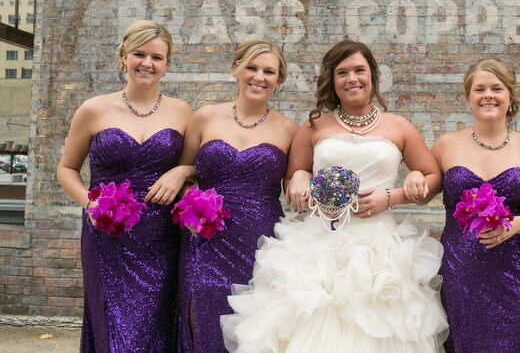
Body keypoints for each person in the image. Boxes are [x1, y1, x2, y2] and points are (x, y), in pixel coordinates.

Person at [221, 39, 448, 353]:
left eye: (359, 70)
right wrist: (299, 181)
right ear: (333, 80)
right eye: (343, 72)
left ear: (372, 76)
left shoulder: (399, 127)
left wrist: (395, 193)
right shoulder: (314, 126)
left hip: (378, 247)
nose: (352, 78)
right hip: (319, 244)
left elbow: (433, 177)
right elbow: (294, 175)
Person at [57, 20, 192, 352]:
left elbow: (195, 171)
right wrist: (90, 204)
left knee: (156, 326)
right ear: (124, 57)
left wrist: (182, 171)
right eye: (139, 54)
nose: (147, 63)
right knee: (113, 327)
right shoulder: (93, 109)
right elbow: (66, 169)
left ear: (167, 64)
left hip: (162, 238)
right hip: (108, 238)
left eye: (157, 57)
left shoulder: (183, 112)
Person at [176, 40, 298, 352]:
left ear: (278, 81)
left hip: (259, 243)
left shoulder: (290, 130)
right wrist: (191, 204)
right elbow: (186, 173)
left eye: (269, 71)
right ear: (236, 71)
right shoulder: (204, 118)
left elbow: (295, 184)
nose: (259, 76)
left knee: (252, 329)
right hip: (206, 239)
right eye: (252, 68)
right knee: (203, 321)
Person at [433, 58, 520, 353]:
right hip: (461, 269)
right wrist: (412, 176)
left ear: (510, 96)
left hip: (515, 271)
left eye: (496, 88)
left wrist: (513, 225)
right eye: (479, 89)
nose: (488, 95)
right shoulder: (446, 145)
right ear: (468, 97)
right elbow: (423, 182)